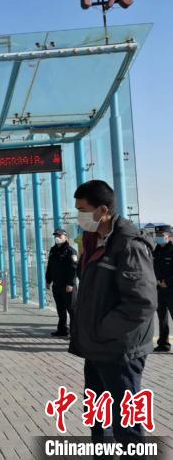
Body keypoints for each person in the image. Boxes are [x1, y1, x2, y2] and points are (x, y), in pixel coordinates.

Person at [70, 180, 157, 455]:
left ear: (103, 210)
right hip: (97, 347)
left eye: (83, 210)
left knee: (126, 424)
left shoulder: (128, 245)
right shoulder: (93, 241)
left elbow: (141, 303)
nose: (79, 216)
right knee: (98, 417)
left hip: (120, 350)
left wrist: (102, 329)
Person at [45, 229, 78, 337]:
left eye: (60, 236)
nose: (57, 237)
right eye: (56, 235)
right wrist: (48, 280)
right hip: (56, 285)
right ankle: (62, 330)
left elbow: (74, 268)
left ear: (65, 237)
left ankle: (75, 333)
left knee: (72, 309)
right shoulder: (53, 250)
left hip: (68, 286)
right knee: (60, 309)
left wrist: (71, 284)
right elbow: (50, 266)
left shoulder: (71, 251)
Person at [153, 225, 173, 352]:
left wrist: (168, 282)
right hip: (159, 289)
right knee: (162, 317)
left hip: (171, 289)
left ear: (169, 236)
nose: (159, 237)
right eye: (157, 235)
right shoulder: (157, 251)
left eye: (162, 235)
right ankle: (163, 344)